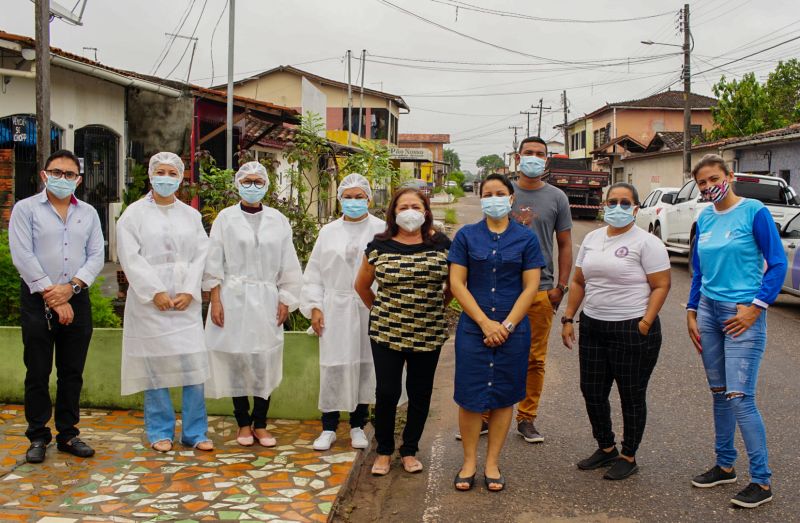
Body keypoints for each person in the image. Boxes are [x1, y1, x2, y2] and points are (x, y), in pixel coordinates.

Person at [686, 154, 786, 509]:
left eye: (714, 178)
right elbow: (698, 270)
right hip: (710, 312)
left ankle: (761, 482)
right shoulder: (705, 217)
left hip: (742, 313)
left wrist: (757, 307)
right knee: (718, 393)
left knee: (740, 397)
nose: (710, 186)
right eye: (702, 182)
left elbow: (778, 262)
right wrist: (691, 309)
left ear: (730, 176)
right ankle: (725, 465)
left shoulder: (754, 211)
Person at [561, 182, 670, 481]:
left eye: (625, 203)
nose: (618, 208)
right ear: (604, 205)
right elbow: (579, 281)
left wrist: (645, 322)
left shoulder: (647, 243)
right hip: (594, 325)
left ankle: (629, 454)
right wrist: (568, 317)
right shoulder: (594, 238)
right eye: (612, 202)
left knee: (631, 395)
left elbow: (661, 285)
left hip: (632, 328)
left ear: (636, 208)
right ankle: (606, 446)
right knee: (592, 391)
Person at [449, 174, 544, 492]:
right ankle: (469, 462)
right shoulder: (465, 236)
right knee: (470, 397)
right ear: (480, 198)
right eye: (487, 193)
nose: (494, 198)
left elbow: (531, 286)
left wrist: (505, 326)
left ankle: (492, 463)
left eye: (500, 193)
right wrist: (485, 323)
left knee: (504, 396)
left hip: (513, 330)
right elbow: (457, 284)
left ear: (511, 199)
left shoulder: (526, 239)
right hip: (473, 329)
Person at [9, 149, 104, 464]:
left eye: (69, 174)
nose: (63, 179)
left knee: (72, 371)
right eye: (57, 172)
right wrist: (52, 294)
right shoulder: (26, 210)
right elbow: (22, 254)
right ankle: (37, 435)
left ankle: (68, 433)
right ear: (44, 175)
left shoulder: (88, 213)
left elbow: (95, 256)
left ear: (78, 179)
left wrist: (72, 289)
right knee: (37, 370)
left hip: (77, 295)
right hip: (38, 298)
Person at [116, 152, 212, 453]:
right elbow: (129, 256)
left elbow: (201, 254)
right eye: (161, 172)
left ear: (181, 178)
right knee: (155, 366)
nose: (166, 178)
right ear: (150, 174)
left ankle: (195, 432)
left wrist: (189, 289)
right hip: (149, 303)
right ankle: (160, 431)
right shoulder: (133, 214)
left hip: (185, 301)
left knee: (193, 365)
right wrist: (153, 290)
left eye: (173, 173)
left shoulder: (190, 215)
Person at [204, 161, 302, 448]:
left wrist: (286, 298)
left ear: (268, 185)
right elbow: (214, 261)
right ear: (237, 183)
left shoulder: (278, 221)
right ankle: (242, 423)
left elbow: (289, 264)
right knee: (236, 359)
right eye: (247, 180)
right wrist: (215, 299)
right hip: (233, 297)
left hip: (266, 298)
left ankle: (261, 423)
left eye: (259, 181)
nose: (252, 186)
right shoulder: (225, 219)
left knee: (263, 360)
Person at [354, 188, 451, 476]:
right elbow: (362, 286)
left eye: (415, 206)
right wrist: (381, 310)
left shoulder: (442, 244)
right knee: (387, 392)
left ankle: (409, 449)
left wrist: (436, 306)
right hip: (387, 331)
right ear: (393, 213)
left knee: (420, 393)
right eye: (403, 206)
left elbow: (454, 286)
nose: (409, 211)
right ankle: (383, 450)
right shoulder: (378, 245)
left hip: (428, 330)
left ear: (425, 211)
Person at [302, 174, 386, 451]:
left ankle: (358, 425)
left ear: (368, 198)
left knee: (364, 365)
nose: (353, 202)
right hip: (334, 307)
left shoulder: (381, 229)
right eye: (347, 197)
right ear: (339, 200)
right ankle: (328, 426)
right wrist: (315, 306)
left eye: (358, 196)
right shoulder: (328, 231)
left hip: (368, 305)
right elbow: (314, 272)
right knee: (334, 365)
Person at [507, 136, 573, 444]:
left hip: (542, 290)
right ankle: (484, 415)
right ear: (518, 157)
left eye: (540, 154)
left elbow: (564, 244)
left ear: (546, 161)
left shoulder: (557, 197)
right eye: (528, 153)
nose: (534, 158)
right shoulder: (504, 193)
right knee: (495, 353)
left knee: (534, 359)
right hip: (504, 288)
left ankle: (527, 417)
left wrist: (561, 286)